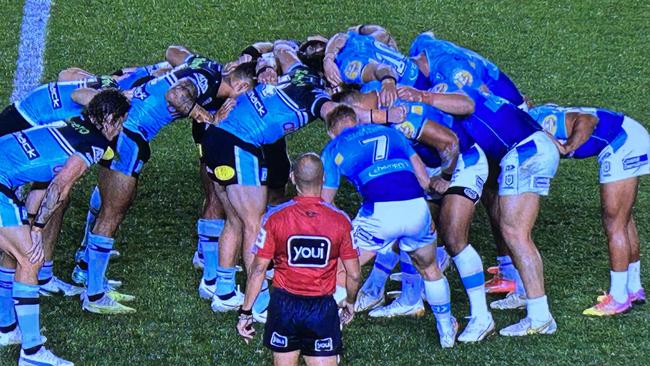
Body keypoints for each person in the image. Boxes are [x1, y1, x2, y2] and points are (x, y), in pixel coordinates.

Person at [75, 51, 256, 314]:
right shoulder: (205, 80)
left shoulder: (208, 68)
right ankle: (94, 295)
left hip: (127, 126)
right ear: (240, 86)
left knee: (105, 203)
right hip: (130, 130)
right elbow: (176, 95)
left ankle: (86, 272)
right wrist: (209, 118)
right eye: (247, 94)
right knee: (112, 213)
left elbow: (175, 52)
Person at [201, 41, 337, 321]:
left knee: (236, 220)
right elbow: (332, 115)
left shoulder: (298, 71)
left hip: (218, 136)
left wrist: (265, 65)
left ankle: (223, 290)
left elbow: (280, 47)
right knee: (254, 224)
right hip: (239, 144)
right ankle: (260, 299)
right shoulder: (314, 94)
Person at [0, 89, 129, 365]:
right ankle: (32, 354)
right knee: (30, 259)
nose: (121, 128)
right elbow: (59, 187)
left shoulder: (71, 122)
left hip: (4, 181)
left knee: (12, 254)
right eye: (120, 122)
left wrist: (31, 223)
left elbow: (41, 185)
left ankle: (7, 329)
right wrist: (36, 233)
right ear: (108, 120)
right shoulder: (93, 145)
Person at [320, 105, 459, 348]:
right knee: (430, 268)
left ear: (331, 132)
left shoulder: (332, 148)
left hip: (378, 215)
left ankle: (331, 333)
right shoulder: (393, 133)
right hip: (416, 208)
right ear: (357, 120)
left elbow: (325, 202)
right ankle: (447, 330)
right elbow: (425, 181)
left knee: (341, 268)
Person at [236, 153, 360, 366]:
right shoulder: (341, 221)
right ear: (323, 179)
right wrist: (349, 302)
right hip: (321, 308)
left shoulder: (274, 217)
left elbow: (258, 270)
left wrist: (246, 312)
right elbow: (354, 274)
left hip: (284, 306)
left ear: (292, 178)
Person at [529, 104, 649, 315]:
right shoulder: (531, 117)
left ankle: (619, 298)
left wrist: (568, 147)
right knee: (623, 218)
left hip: (622, 142)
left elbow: (587, 120)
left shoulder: (539, 121)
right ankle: (633, 287)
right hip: (628, 135)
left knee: (614, 222)